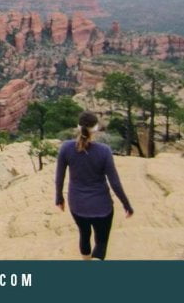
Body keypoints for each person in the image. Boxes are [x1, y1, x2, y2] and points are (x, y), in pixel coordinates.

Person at [55, 109, 133, 260]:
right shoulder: (104, 151)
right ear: (95, 129)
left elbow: (60, 177)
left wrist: (59, 198)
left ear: (78, 127)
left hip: (77, 204)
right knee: (101, 242)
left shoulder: (66, 148)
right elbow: (115, 182)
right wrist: (126, 204)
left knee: (84, 235)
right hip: (102, 206)